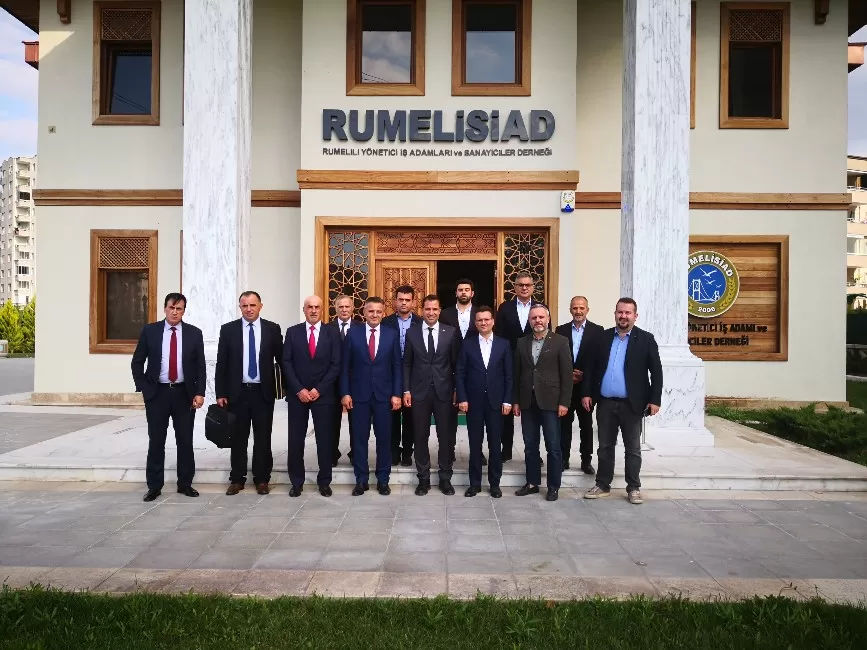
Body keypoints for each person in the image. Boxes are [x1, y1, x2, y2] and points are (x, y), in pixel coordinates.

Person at [582, 297, 663, 505]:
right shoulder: (603, 338)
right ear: (615, 314)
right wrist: (587, 393)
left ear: (635, 316)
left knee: (632, 448)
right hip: (606, 403)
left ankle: (633, 487)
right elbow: (591, 368)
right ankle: (602, 484)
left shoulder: (646, 339)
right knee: (605, 446)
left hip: (632, 404)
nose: (623, 316)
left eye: (628, 313)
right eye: (620, 312)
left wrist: (655, 400)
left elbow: (657, 371)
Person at [131, 293, 206, 502]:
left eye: (179, 308)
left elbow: (200, 366)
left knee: (185, 440)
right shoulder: (150, 331)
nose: (174, 312)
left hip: (184, 394)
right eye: (171, 308)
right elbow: (137, 362)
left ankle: (185, 483)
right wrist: (145, 388)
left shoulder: (194, 333)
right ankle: (154, 486)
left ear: (184, 311)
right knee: (156, 440)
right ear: (165, 308)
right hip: (158, 393)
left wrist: (200, 392)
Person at [215, 291, 283, 496]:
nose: (249, 309)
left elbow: (282, 360)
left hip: (263, 393)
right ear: (240, 307)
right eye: (245, 306)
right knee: (238, 438)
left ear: (260, 306)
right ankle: (237, 479)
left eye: (253, 305)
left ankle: (262, 479)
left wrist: (285, 388)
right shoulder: (228, 330)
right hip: (237, 393)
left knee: (263, 437)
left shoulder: (272, 329)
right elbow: (221, 363)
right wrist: (220, 392)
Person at [341, 296, 403, 496]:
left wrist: (396, 393)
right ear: (364, 312)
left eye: (378, 311)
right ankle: (361, 480)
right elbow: (345, 367)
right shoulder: (353, 333)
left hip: (384, 397)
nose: (375, 315)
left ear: (383, 313)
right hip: (359, 396)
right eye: (371, 311)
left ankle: (383, 480)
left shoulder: (391, 334)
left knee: (384, 439)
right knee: (359, 439)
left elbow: (397, 366)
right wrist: (345, 393)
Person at [282, 295, 341, 497]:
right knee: (295, 440)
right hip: (298, 396)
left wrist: (319, 389)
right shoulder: (293, 332)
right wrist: (299, 389)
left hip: (323, 396)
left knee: (324, 441)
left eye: (317, 307)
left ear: (322, 310)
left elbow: (336, 364)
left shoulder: (332, 332)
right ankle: (296, 482)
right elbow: (286, 362)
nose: (313, 310)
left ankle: (324, 481)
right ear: (304, 309)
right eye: (310, 307)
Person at [403, 294, 460, 496]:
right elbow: (407, 364)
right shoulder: (412, 333)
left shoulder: (450, 332)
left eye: (435, 309)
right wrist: (406, 390)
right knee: (420, 436)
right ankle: (423, 479)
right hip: (419, 392)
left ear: (439, 310)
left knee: (446, 437)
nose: (431, 313)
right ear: (422, 310)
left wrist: (457, 390)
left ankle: (445, 478)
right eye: (427, 309)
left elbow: (456, 365)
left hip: (445, 392)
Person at [513, 304, 571, 501]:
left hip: (551, 402)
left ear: (548, 319)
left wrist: (564, 403)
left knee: (553, 446)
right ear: (529, 321)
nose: (537, 320)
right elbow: (517, 373)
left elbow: (566, 375)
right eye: (534, 318)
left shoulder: (560, 342)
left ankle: (553, 486)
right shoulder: (521, 342)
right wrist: (516, 401)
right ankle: (532, 483)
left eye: (541, 317)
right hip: (527, 402)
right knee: (530, 445)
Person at [456, 306, 512, 498]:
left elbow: (509, 375)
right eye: (480, 320)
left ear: (493, 321)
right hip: (474, 402)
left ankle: (495, 484)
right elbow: (460, 373)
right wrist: (462, 397)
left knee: (495, 445)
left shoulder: (503, 344)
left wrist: (507, 400)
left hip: (496, 403)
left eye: (487, 319)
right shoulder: (468, 344)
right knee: (475, 445)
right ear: (475, 323)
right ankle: (475, 484)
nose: (483, 323)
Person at [495, 272, 546, 461]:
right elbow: (499, 336)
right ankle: (506, 449)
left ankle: (533, 452)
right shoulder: (505, 308)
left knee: (532, 409)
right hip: (509, 363)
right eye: (520, 285)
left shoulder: (541, 308)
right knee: (507, 406)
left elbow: (546, 336)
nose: (524, 288)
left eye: (528, 285)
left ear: (533, 287)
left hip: (533, 365)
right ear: (515, 287)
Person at [555, 296, 604, 473]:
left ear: (587, 310)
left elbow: (599, 361)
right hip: (566, 388)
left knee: (586, 426)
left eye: (582, 308)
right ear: (570, 310)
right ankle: (564, 459)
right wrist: (568, 374)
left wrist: (586, 378)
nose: (578, 311)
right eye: (575, 308)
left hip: (586, 388)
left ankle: (586, 461)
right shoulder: (560, 330)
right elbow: (556, 358)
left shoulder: (598, 331)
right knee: (564, 425)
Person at [439, 277, 482, 465]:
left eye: (467, 289)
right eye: (460, 290)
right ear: (455, 293)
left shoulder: (481, 314)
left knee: (476, 415)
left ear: (472, 293)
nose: (463, 292)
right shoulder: (445, 314)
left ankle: (477, 452)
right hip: (449, 369)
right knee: (449, 415)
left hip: (474, 371)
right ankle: (449, 451)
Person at [381, 285, 421, 466]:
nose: (404, 303)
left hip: (414, 376)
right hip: (390, 375)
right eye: (400, 299)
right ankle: (393, 451)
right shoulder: (385, 322)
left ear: (413, 302)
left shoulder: (420, 323)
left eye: (407, 300)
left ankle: (407, 452)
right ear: (395, 301)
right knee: (392, 415)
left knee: (411, 416)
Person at [326, 294, 361, 467]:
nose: (344, 310)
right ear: (335, 308)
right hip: (332, 382)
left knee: (357, 421)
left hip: (355, 382)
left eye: (347, 306)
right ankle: (332, 454)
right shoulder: (327, 329)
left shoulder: (361, 327)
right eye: (341, 307)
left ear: (353, 308)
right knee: (331, 421)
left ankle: (356, 454)